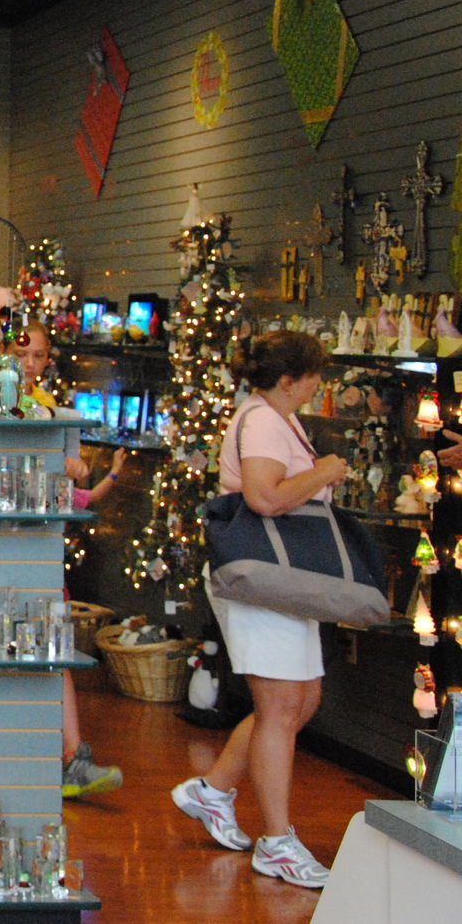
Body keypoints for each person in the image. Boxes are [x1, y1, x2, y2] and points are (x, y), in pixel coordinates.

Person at [172, 329, 344, 889]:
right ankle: (277, 842)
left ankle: (214, 789)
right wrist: (325, 472)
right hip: (261, 580)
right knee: (280, 708)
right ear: (289, 380)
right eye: (313, 376)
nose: (319, 386)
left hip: (280, 581)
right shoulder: (266, 421)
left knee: (299, 700)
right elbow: (264, 496)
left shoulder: (272, 416)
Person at [15, 323, 127, 797]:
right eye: (22, 353)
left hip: (40, 548)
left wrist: (79, 471)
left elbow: (72, 491)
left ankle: (73, 758)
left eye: (39, 355)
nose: (30, 364)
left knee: (56, 651)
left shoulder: (54, 412)